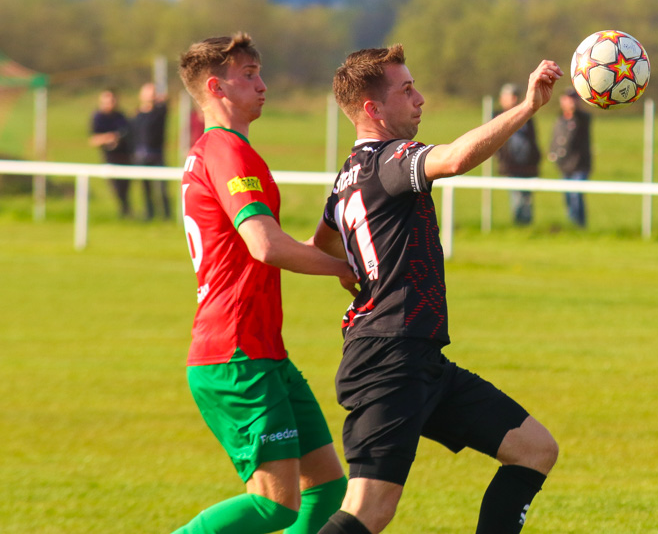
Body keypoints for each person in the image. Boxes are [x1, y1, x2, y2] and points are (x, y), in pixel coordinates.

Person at [310, 45, 560, 534]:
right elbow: (453, 159)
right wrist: (528, 107)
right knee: (368, 511)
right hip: (387, 360)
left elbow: (323, 242)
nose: (420, 99)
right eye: (407, 90)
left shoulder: (346, 177)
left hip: (419, 358)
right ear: (372, 109)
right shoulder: (389, 159)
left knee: (534, 450)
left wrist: (351, 270)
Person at [172, 32, 357, 534]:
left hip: (263, 351)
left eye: (260, 73)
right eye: (248, 76)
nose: (263, 85)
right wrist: (349, 270)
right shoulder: (226, 152)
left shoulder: (216, 150)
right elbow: (265, 244)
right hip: (235, 355)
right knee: (275, 504)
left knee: (326, 487)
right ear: (217, 88)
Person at [494, 83, 542, 225]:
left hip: (527, 165)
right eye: (510, 96)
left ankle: (526, 226)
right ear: (502, 99)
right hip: (511, 165)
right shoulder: (498, 117)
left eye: (515, 96)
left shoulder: (528, 117)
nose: (514, 99)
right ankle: (519, 225)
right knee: (517, 198)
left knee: (526, 198)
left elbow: (533, 140)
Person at [549, 88, 592, 227]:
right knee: (568, 198)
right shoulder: (560, 119)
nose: (570, 102)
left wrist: (575, 109)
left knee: (576, 197)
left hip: (579, 166)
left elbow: (583, 119)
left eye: (573, 99)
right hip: (564, 166)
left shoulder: (582, 118)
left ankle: (579, 226)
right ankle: (572, 226)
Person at [89, 88, 133, 218]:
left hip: (125, 156)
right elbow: (93, 140)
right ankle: (123, 212)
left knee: (125, 187)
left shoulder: (121, 116)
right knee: (117, 188)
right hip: (110, 158)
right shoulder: (98, 117)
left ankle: (126, 212)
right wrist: (109, 138)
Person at [131, 82, 171, 220]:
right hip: (141, 156)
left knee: (162, 188)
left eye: (152, 93)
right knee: (146, 189)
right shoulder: (137, 115)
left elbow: (166, 104)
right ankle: (149, 214)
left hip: (157, 154)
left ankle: (167, 215)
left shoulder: (159, 112)